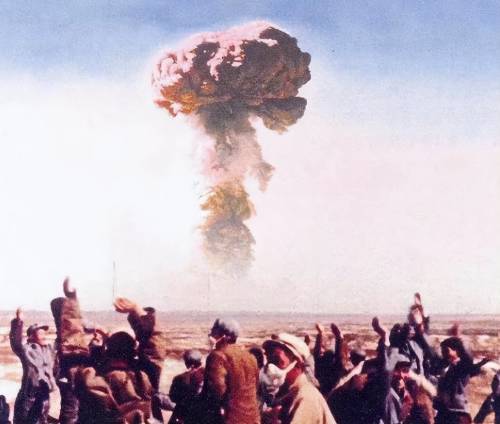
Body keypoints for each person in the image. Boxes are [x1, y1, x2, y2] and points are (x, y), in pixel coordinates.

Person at [262, 332, 336, 424]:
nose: (270, 367)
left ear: (297, 364)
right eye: (269, 361)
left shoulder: (305, 397)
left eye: (277, 361)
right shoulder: (287, 393)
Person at [201, 318, 260, 424]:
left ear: (224, 336)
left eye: (214, 332)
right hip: (252, 417)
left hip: (229, 418)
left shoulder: (217, 356)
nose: (210, 335)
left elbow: (216, 391)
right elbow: (256, 386)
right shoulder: (250, 356)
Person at [9, 307, 57, 424]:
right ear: (31, 336)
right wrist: (18, 322)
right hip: (29, 396)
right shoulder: (27, 350)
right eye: (40, 333)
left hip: (45, 395)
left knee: (42, 420)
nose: (44, 336)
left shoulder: (49, 350)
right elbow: (16, 343)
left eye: (45, 333)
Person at [433, 336, 489, 424]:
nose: (444, 353)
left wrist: (481, 363)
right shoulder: (445, 366)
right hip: (443, 410)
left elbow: (470, 368)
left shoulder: (461, 366)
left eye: (446, 350)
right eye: (443, 351)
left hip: (457, 412)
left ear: (457, 351)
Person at [168, 349, 205, 424]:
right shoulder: (209, 375)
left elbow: (173, 398)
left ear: (188, 364)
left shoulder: (179, 378)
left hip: (183, 414)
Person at [313, 322, 347, 395]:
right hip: (332, 393)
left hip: (322, 391)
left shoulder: (320, 368)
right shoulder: (336, 371)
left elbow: (316, 353)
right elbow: (338, 355)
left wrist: (320, 334)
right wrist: (339, 337)